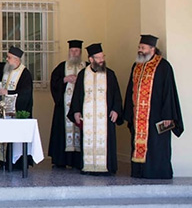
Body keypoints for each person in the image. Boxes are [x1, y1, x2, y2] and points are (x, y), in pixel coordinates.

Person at [124, 35, 184, 179]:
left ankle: (156, 173)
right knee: (138, 144)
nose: (140, 50)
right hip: (139, 116)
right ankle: (139, 172)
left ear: (152, 49)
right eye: (139, 47)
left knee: (156, 145)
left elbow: (169, 92)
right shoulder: (137, 66)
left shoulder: (163, 66)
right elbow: (130, 89)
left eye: (143, 48)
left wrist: (168, 116)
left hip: (157, 115)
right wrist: (129, 112)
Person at [67, 43, 123, 175]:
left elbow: (117, 94)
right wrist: (76, 111)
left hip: (106, 117)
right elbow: (77, 94)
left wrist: (116, 109)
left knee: (107, 141)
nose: (101, 60)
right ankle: (88, 166)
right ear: (91, 59)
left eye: (102, 57)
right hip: (88, 118)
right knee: (87, 139)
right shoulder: (83, 74)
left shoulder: (110, 74)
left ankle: (107, 167)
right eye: (98, 58)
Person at [48, 40, 86, 169]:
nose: (74, 53)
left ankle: (78, 161)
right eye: (72, 51)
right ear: (69, 52)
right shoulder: (62, 66)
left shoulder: (86, 67)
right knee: (62, 132)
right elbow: (54, 83)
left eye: (76, 51)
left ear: (80, 52)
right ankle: (61, 160)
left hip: (81, 107)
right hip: (64, 107)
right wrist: (65, 79)